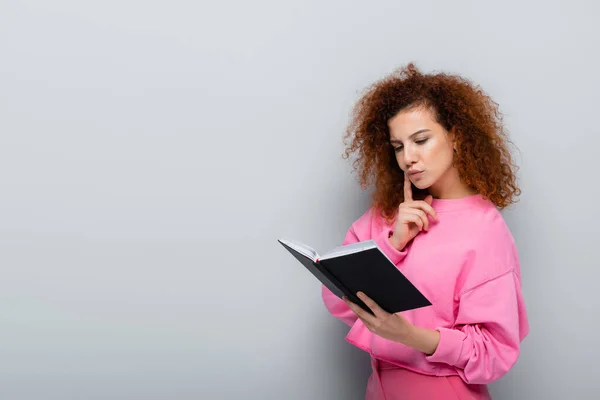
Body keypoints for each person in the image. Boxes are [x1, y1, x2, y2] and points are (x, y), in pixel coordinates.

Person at [321, 63, 529, 400]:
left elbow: (494, 352)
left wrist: (410, 335)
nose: (408, 158)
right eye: (399, 146)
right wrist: (394, 243)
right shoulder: (388, 216)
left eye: (421, 140)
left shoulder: (485, 231)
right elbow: (336, 298)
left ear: (456, 136)